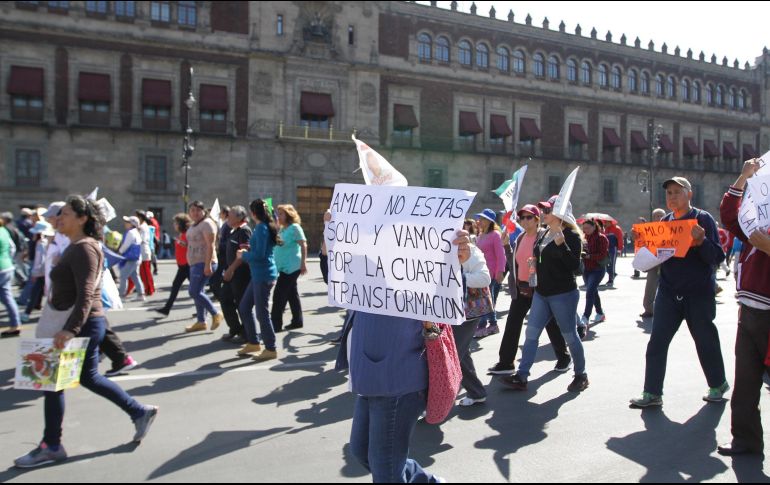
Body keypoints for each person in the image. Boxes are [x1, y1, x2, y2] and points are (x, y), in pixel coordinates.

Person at [13, 195, 158, 469]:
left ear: (83, 219)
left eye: (65, 213)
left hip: (80, 324)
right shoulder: (77, 245)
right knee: (84, 378)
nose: (58, 218)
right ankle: (139, 412)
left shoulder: (84, 249)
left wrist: (70, 329)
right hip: (77, 322)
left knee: (52, 382)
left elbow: (88, 292)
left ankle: (52, 445)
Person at [340, 232, 469, 483]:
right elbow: (337, 275)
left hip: (399, 377)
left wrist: (454, 263)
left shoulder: (416, 258)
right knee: (362, 451)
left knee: (385, 471)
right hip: (367, 372)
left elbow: (445, 301)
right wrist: (335, 234)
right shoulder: (365, 250)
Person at [630, 177, 728, 408]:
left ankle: (718, 383)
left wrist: (701, 241)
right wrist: (642, 243)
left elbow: (716, 257)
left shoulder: (702, 219)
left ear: (689, 195)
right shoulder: (664, 222)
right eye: (669, 193)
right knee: (657, 342)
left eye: (677, 192)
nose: (672, 196)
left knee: (705, 340)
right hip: (668, 292)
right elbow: (652, 258)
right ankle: (652, 392)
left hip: (698, 293)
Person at [499, 196, 589, 393]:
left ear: (560, 214)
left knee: (570, 336)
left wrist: (562, 245)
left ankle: (581, 374)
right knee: (531, 335)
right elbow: (534, 261)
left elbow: (576, 267)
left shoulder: (571, 236)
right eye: (543, 210)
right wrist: (530, 285)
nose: (543, 214)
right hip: (540, 293)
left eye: (547, 211)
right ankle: (522, 376)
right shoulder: (544, 233)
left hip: (563, 294)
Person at [717, 159, 770, 456]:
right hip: (750, 310)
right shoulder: (756, 221)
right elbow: (728, 215)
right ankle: (745, 440)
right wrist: (742, 178)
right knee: (746, 382)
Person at [489, 204, 571, 375]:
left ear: (536, 219)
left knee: (550, 324)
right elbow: (514, 264)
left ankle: (564, 357)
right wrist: (506, 247)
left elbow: (552, 260)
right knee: (512, 323)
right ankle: (506, 362)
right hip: (521, 288)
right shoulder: (520, 237)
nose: (524, 221)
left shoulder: (544, 236)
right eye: (522, 217)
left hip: (540, 289)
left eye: (529, 217)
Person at [236, 199, 279, 362]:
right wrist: (249, 249)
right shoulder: (264, 226)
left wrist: (243, 255)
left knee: (262, 313)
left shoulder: (261, 228)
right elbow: (262, 250)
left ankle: (271, 348)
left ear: (253, 213)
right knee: (245, 307)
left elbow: (260, 255)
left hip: (263, 275)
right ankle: (254, 342)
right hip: (259, 275)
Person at [452, 237, 491, 407]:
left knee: (453, 354)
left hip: (469, 312)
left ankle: (436, 401)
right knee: (460, 352)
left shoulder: (472, 251)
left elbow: (484, 278)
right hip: (451, 311)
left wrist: (456, 278)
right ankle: (476, 392)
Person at [184, 201, 223, 333]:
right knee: (199, 291)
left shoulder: (207, 223)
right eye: (192, 210)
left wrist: (207, 265)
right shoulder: (194, 225)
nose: (194, 213)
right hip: (195, 263)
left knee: (194, 291)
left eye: (197, 210)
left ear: (203, 211)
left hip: (204, 262)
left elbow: (210, 245)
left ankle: (215, 313)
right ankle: (201, 321)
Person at [272, 204, 308, 332]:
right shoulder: (282, 229)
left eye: (281, 214)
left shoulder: (294, 228)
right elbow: (279, 244)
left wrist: (304, 263)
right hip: (284, 267)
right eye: (278, 213)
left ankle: (275, 325)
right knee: (292, 294)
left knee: (278, 296)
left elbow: (303, 245)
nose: (278, 216)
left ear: (288, 215)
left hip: (292, 267)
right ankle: (297, 321)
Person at [220, 205, 252, 342]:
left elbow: (243, 254)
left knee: (241, 304)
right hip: (231, 273)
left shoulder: (244, 231)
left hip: (240, 274)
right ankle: (235, 328)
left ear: (239, 217)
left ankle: (246, 334)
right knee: (225, 299)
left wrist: (231, 269)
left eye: (231, 215)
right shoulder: (234, 230)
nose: (228, 217)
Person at [473, 209, 506, 338]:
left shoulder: (495, 235)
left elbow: (501, 255)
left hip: (491, 272)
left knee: (484, 299)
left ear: (489, 221)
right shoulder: (480, 235)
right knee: (486, 300)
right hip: (481, 272)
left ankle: (485, 325)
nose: (479, 221)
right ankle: (491, 324)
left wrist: (500, 271)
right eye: (479, 218)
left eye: (482, 219)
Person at [155, 214, 192, 316]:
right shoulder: (181, 234)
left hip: (187, 266)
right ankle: (167, 309)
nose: (174, 225)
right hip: (182, 266)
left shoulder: (187, 234)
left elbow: (192, 246)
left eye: (175, 223)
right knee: (176, 286)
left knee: (195, 291)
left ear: (180, 224)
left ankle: (208, 311)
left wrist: (184, 244)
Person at [19, 221, 55, 323]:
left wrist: (35, 273)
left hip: (42, 272)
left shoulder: (40, 243)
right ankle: (36, 307)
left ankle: (27, 313)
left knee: (36, 291)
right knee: (43, 293)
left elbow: (39, 260)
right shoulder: (51, 241)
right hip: (49, 271)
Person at [580, 219, 609, 327]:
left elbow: (602, 255)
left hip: (598, 269)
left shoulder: (602, 238)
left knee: (590, 291)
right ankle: (600, 313)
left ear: (594, 227)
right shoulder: (583, 237)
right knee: (593, 291)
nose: (585, 230)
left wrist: (589, 256)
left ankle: (585, 316)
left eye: (587, 228)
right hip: (586, 269)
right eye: (584, 228)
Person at [640, 209, 667, 318]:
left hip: (666, 263)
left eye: (661, 216)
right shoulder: (648, 230)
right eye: (656, 216)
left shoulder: (671, 229)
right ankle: (648, 309)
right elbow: (642, 244)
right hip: (653, 263)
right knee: (650, 287)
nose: (659, 218)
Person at [0, 215, 22, 338]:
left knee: (7, 298)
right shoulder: (3, 230)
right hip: (7, 266)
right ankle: (15, 324)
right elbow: (12, 248)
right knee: (8, 298)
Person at [118, 216, 144, 300]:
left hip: (130, 258)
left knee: (123, 276)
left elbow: (125, 245)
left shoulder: (130, 233)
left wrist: (119, 252)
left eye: (127, 222)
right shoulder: (136, 232)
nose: (125, 223)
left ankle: (121, 295)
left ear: (132, 224)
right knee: (135, 276)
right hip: (136, 258)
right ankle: (141, 294)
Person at [604, 222, 624, 287]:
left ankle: (611, 279)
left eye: (606, 222)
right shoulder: (605, 229)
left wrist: (619, 249)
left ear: (610, 222)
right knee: (605, 264)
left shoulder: (617, 229)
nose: (605, 223)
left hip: (613, 248)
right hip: (606, 249)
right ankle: (612, 274)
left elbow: (620, 239)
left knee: (612, 264)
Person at [146, 210, 161, 276]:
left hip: (152, 240)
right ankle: (155, 269)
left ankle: (153, 269)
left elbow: (152, 232)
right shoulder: (155, 221)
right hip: (154, 240)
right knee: (152, 256)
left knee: (151, 256)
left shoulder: (151, 222)